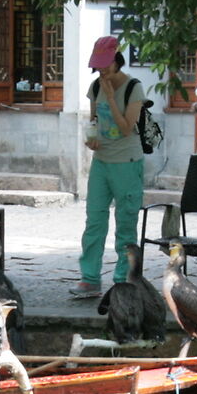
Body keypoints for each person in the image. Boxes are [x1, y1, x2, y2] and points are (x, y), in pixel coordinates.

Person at [78, 35, 147, 293]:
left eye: (106, 65)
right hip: (101, 162)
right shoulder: (95, 88)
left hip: (126, 162)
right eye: (98, 66)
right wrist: (91, 139)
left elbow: (127, 128)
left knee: (126, 223)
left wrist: (110, 96)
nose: (102, 71)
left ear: (118, 61)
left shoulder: (133, 88)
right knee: (94, 220)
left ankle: (122, 280)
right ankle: (90, 278)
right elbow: (94, 121)